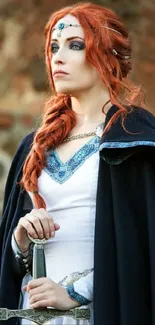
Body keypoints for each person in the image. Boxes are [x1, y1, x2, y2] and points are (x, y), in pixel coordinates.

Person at [1, 2, 155, 325]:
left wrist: (74, 292)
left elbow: (140, 246)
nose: (58, 56)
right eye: (54, 47)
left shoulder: (133, 138)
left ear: (107, 55)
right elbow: (10, 263)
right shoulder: (35, 146)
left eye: (75, 45)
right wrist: (21, 241)